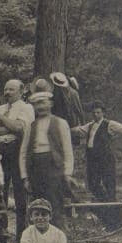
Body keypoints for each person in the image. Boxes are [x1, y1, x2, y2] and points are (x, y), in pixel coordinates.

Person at [71, 102, 122, 229]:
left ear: (103, 113)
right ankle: (107, 209)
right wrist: (65, 126)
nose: (96, 114)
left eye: (98, 112)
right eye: (93, 112)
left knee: (110, 187)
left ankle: (115, 221)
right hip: (93, 161)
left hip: (106, 160)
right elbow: (78, 130)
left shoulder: (109, 124)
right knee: (93, 186)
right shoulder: (90, 125)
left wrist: (113, 137)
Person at [19, 90, 75, 227]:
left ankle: (58, 241)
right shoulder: (30, 126)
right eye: (37, 104)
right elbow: (24, 152)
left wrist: (67, 173)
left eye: (43, 103)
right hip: (35, 168)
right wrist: (25, 177)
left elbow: (68, 150)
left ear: (50, 104)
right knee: (38, 205)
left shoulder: (60, 123)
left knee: (55, 205)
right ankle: (39, 240)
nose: (40, 107)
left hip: (54, 168)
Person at [0, 78, 35, 238]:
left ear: (22, 91)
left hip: (17, 152)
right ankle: (1, 232)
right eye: (6, 89)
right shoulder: (0, 107)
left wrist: (1, 119)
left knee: (19, 193)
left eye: (11, 90)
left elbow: (19, 128)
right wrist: (9, 126)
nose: (7, 92)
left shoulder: (27, 108)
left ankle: (22, 234)